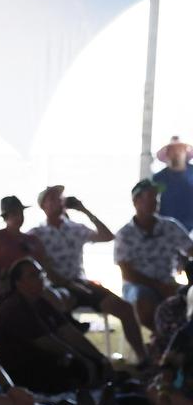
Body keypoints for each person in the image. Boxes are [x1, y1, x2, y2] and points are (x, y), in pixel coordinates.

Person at [29, 184, 146, 362]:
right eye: (52, 199)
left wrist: (84, 210)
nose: (59, 202)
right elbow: (40, 265)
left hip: (81, 282)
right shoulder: (36, 234)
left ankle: (143, 358)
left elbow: (107, 236)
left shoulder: (75, 228)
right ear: (43, 205)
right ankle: (77, 358)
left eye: (60, 198)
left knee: (125, 308)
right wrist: (66, 283)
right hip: (56, 286)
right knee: (59, 304)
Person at [0, 258, 110, 393]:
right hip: (18, 369)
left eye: (41, 274)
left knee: (96, 363)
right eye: (33, 276)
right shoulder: (14, 307)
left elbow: (69, 332)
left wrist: (99, 357)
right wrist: (83, 359)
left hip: (40, 359)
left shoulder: (40, 302)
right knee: (80, 368)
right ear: (18, 283)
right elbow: (47, 341)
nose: (40, 278)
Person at [115, 178, 193, 330]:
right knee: (143, 301)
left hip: (168, 282)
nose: (155, 201)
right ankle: (163, 338)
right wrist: (159, 286)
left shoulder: (170, 226)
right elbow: (127, 273)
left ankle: (176, 339)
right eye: (150, 196)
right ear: (136, 201)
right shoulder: (125, 234)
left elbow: (190, 249)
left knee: (188, 297)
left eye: (156, 197)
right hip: (137, 286)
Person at [0, 195, 50, 290]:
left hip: (36, 285)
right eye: (14, 214)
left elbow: (45, 265)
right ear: (5, 217)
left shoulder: (33, 239)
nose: (19, 217)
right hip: (6, 286)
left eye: (21, 213)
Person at [155, 136, 193, 229]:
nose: (176, 153)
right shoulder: (159, 178)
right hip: (166, 229)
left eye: (180, 149)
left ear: (185, 152)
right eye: (172, 150)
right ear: (167, 153)